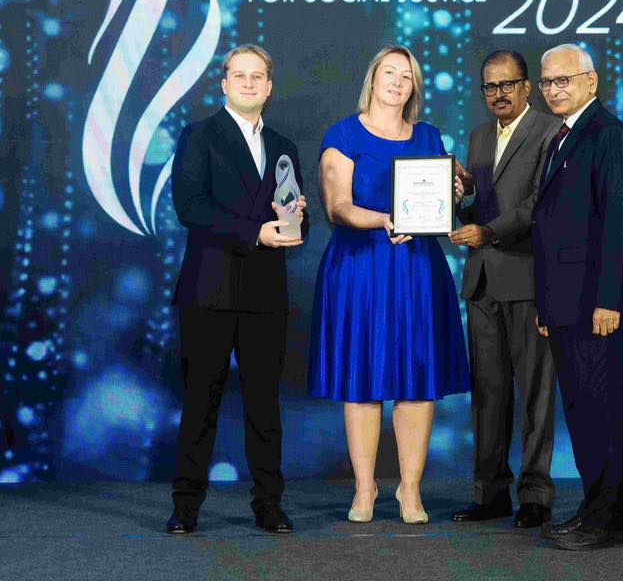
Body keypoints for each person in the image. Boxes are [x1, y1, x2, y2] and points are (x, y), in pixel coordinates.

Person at [308, 45, 472, 524]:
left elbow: (444, 202)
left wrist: (455, 192)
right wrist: (382, 219)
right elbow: (337, 206)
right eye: (389, 73)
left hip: (417, 269)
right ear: (373, 79)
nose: (398, 82)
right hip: (360, 267)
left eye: (407, 75)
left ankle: (410, 489)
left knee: (417, 380)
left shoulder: (430, 136)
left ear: (414, 86)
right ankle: (365, 488)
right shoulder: (343, 134)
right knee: (362, 381)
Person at [166, 44, 307, 536]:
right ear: (224, 83)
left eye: (257, 75)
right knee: (200, 404)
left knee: (265, 407)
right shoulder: (198, 135)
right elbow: (189, 206)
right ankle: (186, 506)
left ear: (269, 86)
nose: (248, 82)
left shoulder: (284, 146)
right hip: (209, 291)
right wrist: (256, 233)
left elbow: (291, 217)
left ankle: (269, 505)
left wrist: (297, 220)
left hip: (266, 294)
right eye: (239, 75)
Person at [531, 43, 623, 551]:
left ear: (591, 81)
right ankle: (593, 511)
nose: (554, 90)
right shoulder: (563, 135)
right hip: (565, 302)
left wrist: (608, 301)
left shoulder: (608, 134)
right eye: (547, 82)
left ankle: (608, 522)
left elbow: (621, 222)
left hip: (598, 304)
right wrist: (546, 302)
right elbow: (554, 225)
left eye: (564, 80)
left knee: (601, 413)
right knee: (581, 413)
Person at [448, 50, 561, 529]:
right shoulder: (478, 137)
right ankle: (490, 493)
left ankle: (535, 496)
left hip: (529, 279)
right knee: (488, 394)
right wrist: (459, 199)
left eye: (507, 84)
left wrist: (489, 231)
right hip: (482, 282)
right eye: (490, 87)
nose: (498, 94)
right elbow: (477, 210)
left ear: (527, 87)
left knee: (536, 393)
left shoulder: (551, 131)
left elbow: (541, 203)